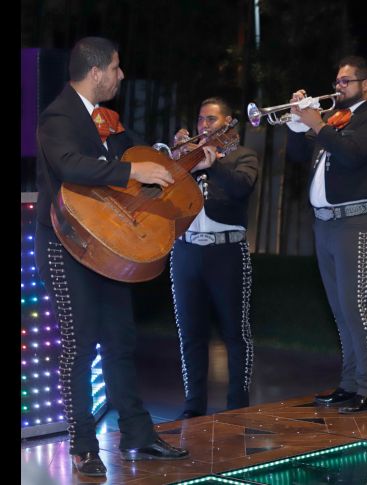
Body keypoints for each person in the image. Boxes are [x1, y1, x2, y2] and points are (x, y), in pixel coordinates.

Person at [34, 37, 196, 477]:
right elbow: (70, 165)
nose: (122, 76)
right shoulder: (58, 116)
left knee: (120, 341)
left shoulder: (105, 118)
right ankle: (84, 445)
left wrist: (174, 156)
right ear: (96, 72)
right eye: (117, 68)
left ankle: (139, 435)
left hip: (109, 246)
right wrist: (132, 171)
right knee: (80, 345)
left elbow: (135, 154)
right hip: (66, 246)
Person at [285, 55, 367, 413]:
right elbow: (297, 155)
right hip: (324, 222)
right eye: (337, 80)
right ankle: (350, 383)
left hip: (354, 221)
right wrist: (297, 121)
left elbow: (352, 155)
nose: (338, 87)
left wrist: (318, 125)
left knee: (354, 305)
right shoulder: (333, 119)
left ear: (366, 84)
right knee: (338, 307)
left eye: (346, 81)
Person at [169, 97, 259, 419]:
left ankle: (237, 407)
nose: (203, 126)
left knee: (236, 333)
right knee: (190, 333)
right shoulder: (185, 159)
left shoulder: (243, 155)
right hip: (186, 251)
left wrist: (214, 165)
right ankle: (193, 407)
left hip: (227, 251)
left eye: (211, 119)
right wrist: (177, 161)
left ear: (229, 122)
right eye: (200, 120)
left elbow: (242, 187)